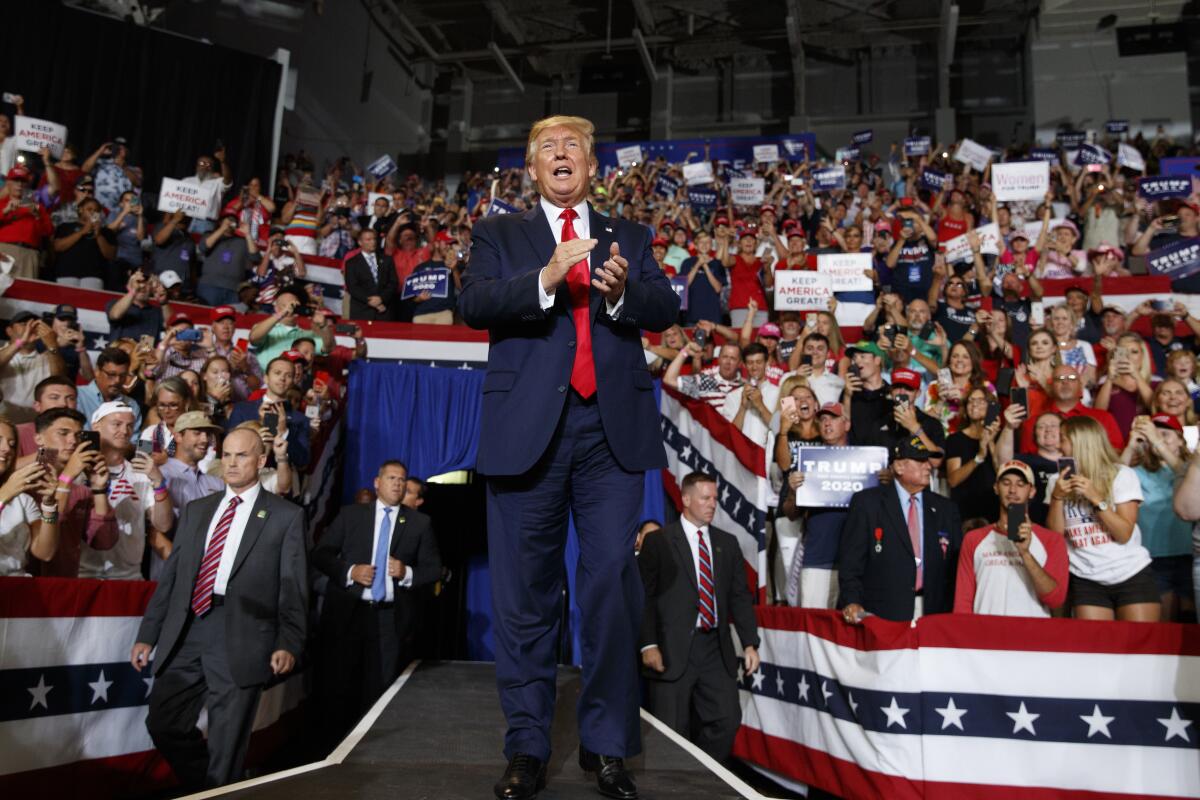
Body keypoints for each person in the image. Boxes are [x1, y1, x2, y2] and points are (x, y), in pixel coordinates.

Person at [458, 115, 678, 800]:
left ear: (591, 167)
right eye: (548, 147)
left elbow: (666, 305)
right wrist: (545, 279)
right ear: (531, 167)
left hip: (609, 432)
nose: (561, 155)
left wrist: (619, 293)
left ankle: (606, 746)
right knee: (526, 598)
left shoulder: (630, 237)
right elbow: (474, 304)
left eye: (573, 146)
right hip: (528, 433)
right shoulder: (500, 235)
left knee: (610, 585)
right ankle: (526, 745)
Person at [130, 428, 307, 791]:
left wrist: (288, 641)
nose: (231, 462)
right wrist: (148, 633)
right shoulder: (198, 510)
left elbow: (294, 587)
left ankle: (217, 787)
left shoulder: (284, 516)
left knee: (226, 744)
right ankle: (209, 788)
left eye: (241, 455)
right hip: (188, 628)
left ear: (261, 461)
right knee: (164, 723)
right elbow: (174, 579)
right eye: (226, 455)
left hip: (242, 633)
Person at [312, 460, 442, 746]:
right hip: (349, 613)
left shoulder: (420, 523)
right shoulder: (350, 515)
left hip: (389, 619)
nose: (398, 483)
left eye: (402, 479)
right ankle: (331, 748)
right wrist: (350, 571)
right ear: (377, 482)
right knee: (341, 684)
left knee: (380, 686)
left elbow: (434, 569)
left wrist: (406, 572)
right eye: (392, 478)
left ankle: (369, 748)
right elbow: (321, 554)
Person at [637, 472, 759, 762]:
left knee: (727, 720)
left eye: (715, 498)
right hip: (671, 647)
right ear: (686, 499)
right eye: (705, 498)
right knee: (671, 732)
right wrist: (648, 644)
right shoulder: (659, 542)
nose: (712, 504)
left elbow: (739, 597)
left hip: (715, 648)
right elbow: (644, 598)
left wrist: (749, 643)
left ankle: (701, 775)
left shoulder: (727, 544)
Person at [838, 435, 961, 623]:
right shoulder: (868, 504)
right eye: (920, 461)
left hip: (934, 614)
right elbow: (851, 562)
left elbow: (955, 568)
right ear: (898, 466)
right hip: (883, 614)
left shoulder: (945, 509)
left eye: (928, 461)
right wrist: (852, 600)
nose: (928, 466)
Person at [1047, 416, 1158, 622]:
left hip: (1130, 573)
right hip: (1085, 577)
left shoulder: (1122, 475)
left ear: (1080, 442)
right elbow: (1055, 537)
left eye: (1062, 439)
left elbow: (1124, 534)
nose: (1057, 445)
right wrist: (1057, 497)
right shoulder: (1056, 481)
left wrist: (1095, 497)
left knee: (1141, 647)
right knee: (1096, 649)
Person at [954, 461, 1069, 616]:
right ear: (996, 488)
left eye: (1021, 484)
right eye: (1006, 483)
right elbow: (963, 600)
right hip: (985, 634)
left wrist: (1025, 554)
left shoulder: (1051, 540)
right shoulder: (974, 539)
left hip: (1031, 635)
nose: (1013, 490)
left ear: (1032, 491)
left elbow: (1056, 599)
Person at [79, 402, 173, 580]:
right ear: (95, 426)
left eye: (130, 425)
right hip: (84, 575)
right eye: (116, 424)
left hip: (128, 577)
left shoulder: (141, 475)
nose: (124, 431)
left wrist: (159, 481)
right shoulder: (77, 471)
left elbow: (163, 525)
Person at [21, 407, 118, 577]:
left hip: (67, 585)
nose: (72, 441)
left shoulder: (81, 491)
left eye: (78, 435)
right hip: (25, 586)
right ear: (39, 438)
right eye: (63, 433)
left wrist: (99, 488)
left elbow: (104, 541)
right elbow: (46, 541)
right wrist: (67, 476)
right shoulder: (23, 486)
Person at [779, 402, 852, 608]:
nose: (827, 423)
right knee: (813, 629)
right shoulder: (806, 462)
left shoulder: (866, 461)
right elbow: (790, 513)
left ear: (846, 424)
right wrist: (793, 491)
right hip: (817, 556)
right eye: (823, 419)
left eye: (834, 418)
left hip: (855, 562)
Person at [1122, 414, 1193, 621]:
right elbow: (1114, 481)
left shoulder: (1189, 468)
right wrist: (1130, 446)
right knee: (1165, 623)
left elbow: (1185, 475)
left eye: (1165, 434)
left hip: (1188, 554)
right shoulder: (1137, 472)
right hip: (1154, 557)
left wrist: (1157, 441)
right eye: (1153, 433)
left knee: (1190, 620)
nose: (1157, 438)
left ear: (1181, 439)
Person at [225, 357, 311, 469]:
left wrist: (284, 432)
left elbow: (303, 460)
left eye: (288, 375)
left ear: (293, 382)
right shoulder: (242, 409)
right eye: (277, 373)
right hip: (243, 475)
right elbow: (228, 448)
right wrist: (259, 423)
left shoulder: (300, 419)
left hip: (280, 480)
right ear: (266, 378)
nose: (282, 378)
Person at [1018, 363, 1123, 453]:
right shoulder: (1033, 423)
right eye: (1060, 379)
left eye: (1072, 378)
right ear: (1051, 386)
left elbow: (1116, 454)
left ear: (1081, 386)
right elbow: (1028, 461)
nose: (1065, 381)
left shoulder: (1103, 418)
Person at [0, 416, 58, 576]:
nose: (6, 449)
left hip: (19, 588)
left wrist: (49, 506)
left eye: (12, 445)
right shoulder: (10, 493)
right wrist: (4, 496)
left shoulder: (23, 500)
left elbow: (45, 553)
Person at [944, 386, 1002, 523]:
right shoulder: (955, 439)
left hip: (993, 508)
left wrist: (991, 443)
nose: (975, 404)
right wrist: (979, 457)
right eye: (970, 401)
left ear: (992, 406)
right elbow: (953, 480)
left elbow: (1003, 472)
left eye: (981, 400)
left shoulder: (1002, 436)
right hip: (964, 511)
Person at [0, 312, 67, 422]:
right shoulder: (3, 354)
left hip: (35, 425)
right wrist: (20, 342)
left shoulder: (49, 358)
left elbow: (59, 381)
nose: (30, 328)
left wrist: (52, 345)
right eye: (23, 323)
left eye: (35, 325)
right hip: (3, 424)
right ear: (9, 331)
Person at [77, 347, 143, 432]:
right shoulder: (77, 396)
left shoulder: (132, 405)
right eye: (111, 374)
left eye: (122, 375)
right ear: (97, 371)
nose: (117, 381)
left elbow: (136, 441)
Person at [344, 227, 398, 321]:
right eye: (368, 239)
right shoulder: (351, 263)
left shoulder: (386, 260)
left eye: (374, 239)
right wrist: (370, 301)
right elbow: (352, 287)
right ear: (360, 242)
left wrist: (381, 298)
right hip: (362, 312)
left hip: (384, 311)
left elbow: (393, 282)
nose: (373, 242)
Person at [15, 375, 77, 456]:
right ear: (37, 406)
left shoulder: (81, 435)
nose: (63, 404)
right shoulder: (18, 432)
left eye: (70, 398)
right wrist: (48, 454)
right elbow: (6, 465)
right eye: (54, 397)